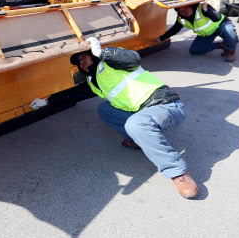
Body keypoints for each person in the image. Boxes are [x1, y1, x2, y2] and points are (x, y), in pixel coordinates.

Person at [30, 38, 198, 199]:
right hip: (144, 115)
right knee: (105, 110)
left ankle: (178, 172)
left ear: (93, 55)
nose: (81, 62)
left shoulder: (111, 63)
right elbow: (71, 94)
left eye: (84, 56)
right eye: (78, 61)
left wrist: (103, 53)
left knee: (135, 124)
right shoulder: (93, 82)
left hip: (166, 107)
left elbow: (133, 58)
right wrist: (46, 101)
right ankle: (141, 139)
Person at [158, 0, 238, 62]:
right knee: (195, 50)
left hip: (220, 25)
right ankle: (222, 45)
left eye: (185, 8)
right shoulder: (181, 19)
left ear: (190, 5)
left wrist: (207, 10)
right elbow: (174, 30)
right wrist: (161, 38)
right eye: (181, 11)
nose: (184, 12)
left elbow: (217, 18)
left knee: (230, 32)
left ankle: (231, 51)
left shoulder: (202, 8)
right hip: (207, 33)